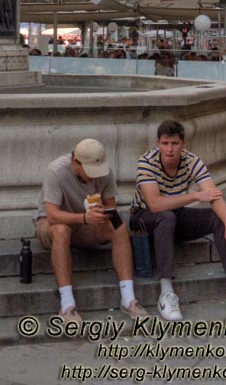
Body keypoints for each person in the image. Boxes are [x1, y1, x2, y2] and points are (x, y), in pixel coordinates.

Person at [129, 118, 226, 321]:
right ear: (158, 144)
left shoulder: (192, 161)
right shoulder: (146, 161)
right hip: (142, 218)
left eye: (175, 144)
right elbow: (154, 204)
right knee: (165, 216)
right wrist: (195, 196)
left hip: (173, 216)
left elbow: (213, 195)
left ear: (183, 144)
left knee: (218, 219)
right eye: (165, 143)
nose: (170, 149)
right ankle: (166, 293)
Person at [35, 139, 146, 325]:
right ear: (75, 162)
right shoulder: (56, 171)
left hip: (86, 226)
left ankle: (129, 299)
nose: (94, 177)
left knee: (119, 229)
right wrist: (84, 218)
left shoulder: (105, 171)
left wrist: (103, 212)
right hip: (51, 225)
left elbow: (111, 205)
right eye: (89, 171)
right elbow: (52, 215)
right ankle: (67, 305)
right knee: (62, 231)